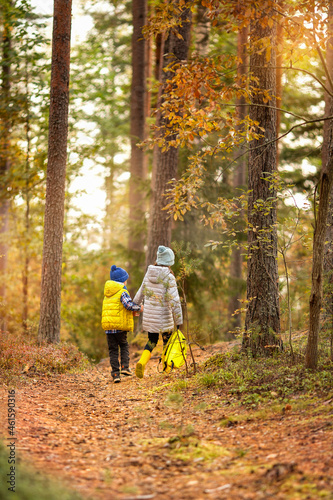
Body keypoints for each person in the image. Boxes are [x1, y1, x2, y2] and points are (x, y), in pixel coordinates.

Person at [133, 245, 183, 378]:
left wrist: (135, 306)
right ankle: (166, 369)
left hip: (150, 316)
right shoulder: (169, 277)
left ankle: (142, 362)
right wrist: (179, 320)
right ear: (169, 262)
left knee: (152, 341)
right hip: (164, 316)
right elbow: (175, 300)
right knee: (167, 341)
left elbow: (140, 292)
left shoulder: (149, 273)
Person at [102, 264, 143, 383]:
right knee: (124, 345)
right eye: (125, 280)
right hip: (119, 327)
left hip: (109, 327)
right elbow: (128, 305)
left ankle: (115, 374)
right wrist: (139, 308)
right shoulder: (122, 292)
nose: (126, 282)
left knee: (113, 350)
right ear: (121, 281)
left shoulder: (107, 293)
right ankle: (125, 367)